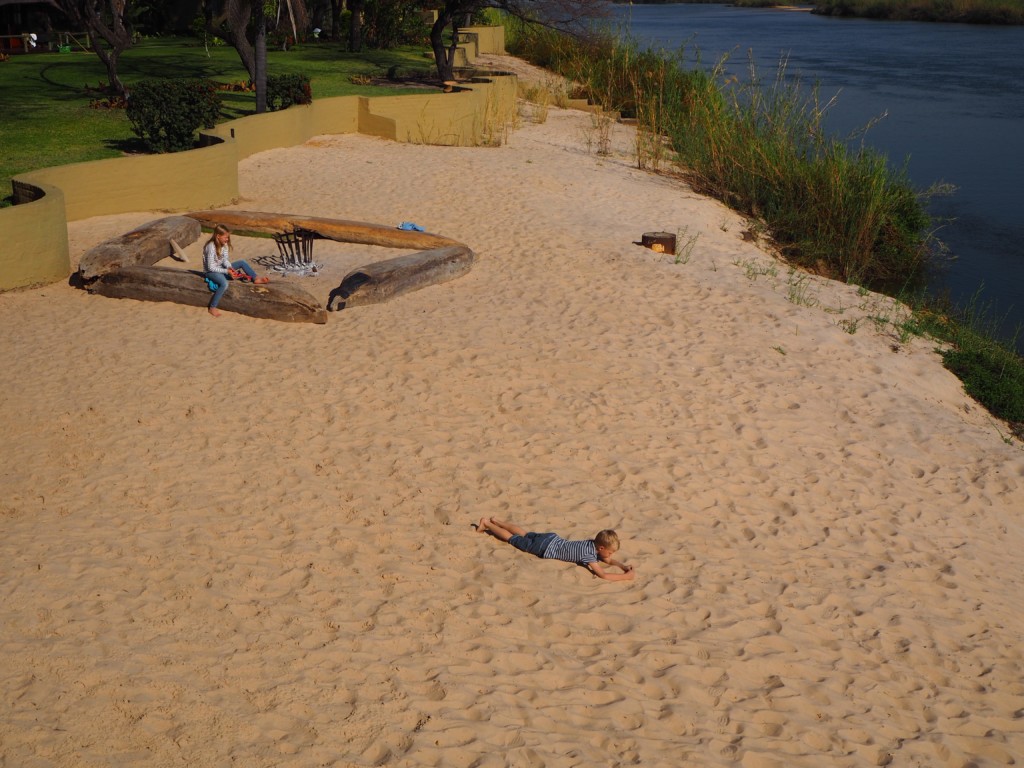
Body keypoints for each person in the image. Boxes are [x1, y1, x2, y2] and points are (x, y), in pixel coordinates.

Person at [476, 517, 636, 581]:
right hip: (543, 548)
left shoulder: (590, 544)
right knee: (513, 539)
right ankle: (488, 524)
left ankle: (497, 521)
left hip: (551, 537)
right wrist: (626, 577)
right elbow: (603, 574)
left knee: (525, 533)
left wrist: (622, 567)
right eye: (610, 551)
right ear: (601, 548)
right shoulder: (589, 556)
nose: (610, 555)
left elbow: (607, 559)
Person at [203, 224, 269, 317]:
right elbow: (210, 267)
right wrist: (227, 272)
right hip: (210, 272)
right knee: (224, 284)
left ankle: (256, 278)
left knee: (242, 262)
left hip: (221, 268)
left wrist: (230, 268)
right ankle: (212, 307)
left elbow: (225, 260)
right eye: (225, 237)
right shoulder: (211, 247)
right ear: (218, 236)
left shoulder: (224, 245)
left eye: (228, 237)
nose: (227, 239)